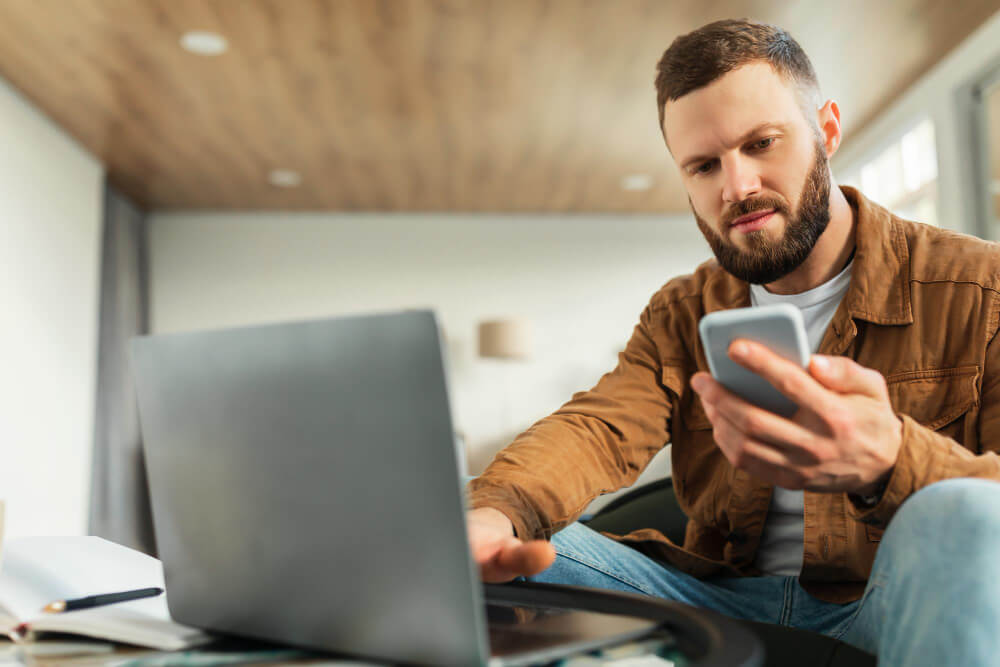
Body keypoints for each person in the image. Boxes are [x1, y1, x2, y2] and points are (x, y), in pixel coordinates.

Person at [466, 18, 1000, 666]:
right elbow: (598, 428)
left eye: (761, 144)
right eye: (704, 164)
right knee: (475, 534)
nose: (736, 186)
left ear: (826, 130)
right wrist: (495, 512)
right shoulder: (680, 311)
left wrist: (893, 459)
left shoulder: (979, 285)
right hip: (716, 597)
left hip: (891, 598)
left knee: (970, 512)